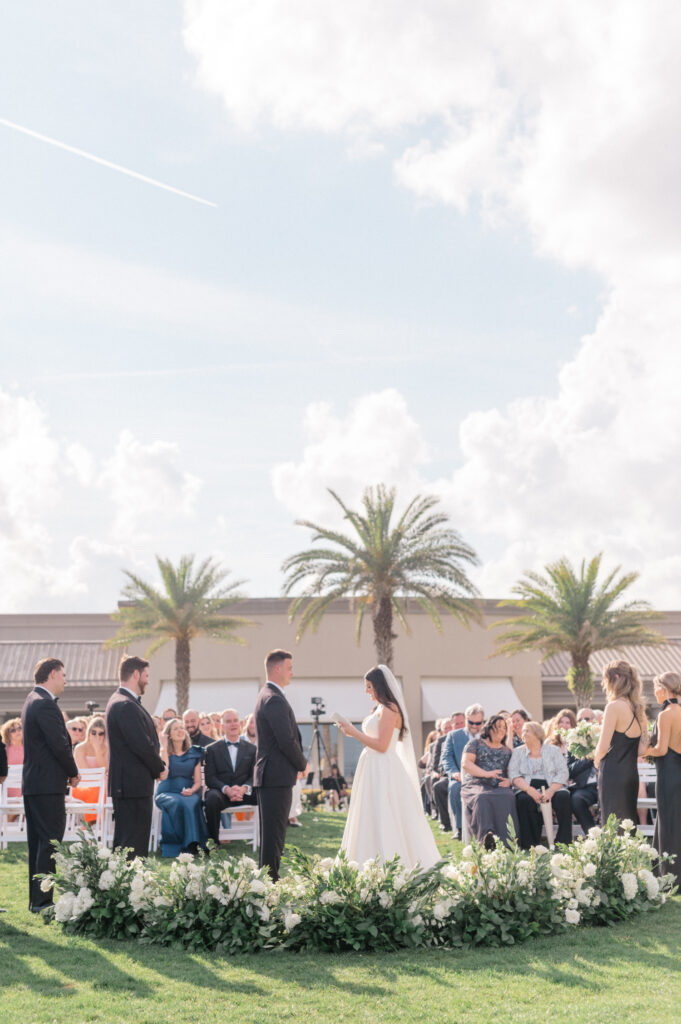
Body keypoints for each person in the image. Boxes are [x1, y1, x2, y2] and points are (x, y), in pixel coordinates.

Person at [338, 665, 440, 870]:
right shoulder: (380, 709)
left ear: (379, 686)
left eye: (369, 686)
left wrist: (353, 733)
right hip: (373, 767)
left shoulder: (389, 709)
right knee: (370, 814)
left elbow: (382, 746)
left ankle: (393, 862)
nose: (366, 691)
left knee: (385, 813)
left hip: (382, 768)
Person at [21, 657, 80, 912]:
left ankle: (37, 900)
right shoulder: (45, 704)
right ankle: (43, 901)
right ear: (53, 673)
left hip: (35, 784)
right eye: (64, 675)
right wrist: (73, 772)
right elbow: (59, 744)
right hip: (46, 785)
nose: (66, 680)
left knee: (38, 843)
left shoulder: (31, 700)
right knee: (50, 841)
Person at [253, 650, 307, 881]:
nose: (292, 672)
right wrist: (302, 763)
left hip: (272, 776)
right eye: (289, 667)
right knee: (274, 835)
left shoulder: (267, 695)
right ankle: (269, 882)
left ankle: (267, 879)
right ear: (277, 668)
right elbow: (286, 739)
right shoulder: (273, 698)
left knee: (272, 834)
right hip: (276, 775)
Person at [106, 655, 165, 859]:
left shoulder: (124, 702)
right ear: (136, 674)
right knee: (132, 845)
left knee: (131, 843)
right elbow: (141, 744)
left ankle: (128, 886)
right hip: (131, 785)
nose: (148, 680)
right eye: (146, 675)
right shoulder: (125, 705)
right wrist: (160, 767)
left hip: (132, 784)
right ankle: (128, 888)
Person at [593, 660, 647, 825]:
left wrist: (596, 760)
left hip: (612, 773)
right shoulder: (638, 708)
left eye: (605, 679)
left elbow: (602, 748)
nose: (604, 684)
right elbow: (641, 750)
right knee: (627, 825)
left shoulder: (614, 706)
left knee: (612, 825)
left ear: (615, 678)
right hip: (631, 774)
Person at [509, 721, 571, 848]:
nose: (523, 733)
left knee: (563, 798)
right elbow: (513, 774)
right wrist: (529, 789)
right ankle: (530, 844)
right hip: (527, 787)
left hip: (552, 785)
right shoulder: (517, 752)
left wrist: (551, 791)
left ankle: (563, 842)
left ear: (537, 734)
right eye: (523, 731)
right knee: (524, 800)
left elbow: (563, 772)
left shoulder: (553, 750)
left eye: (527, 730)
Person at [645, 671, 681, 883]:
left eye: (656, 688)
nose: (655, 693)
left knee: (668, 822)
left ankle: (670, 876)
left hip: (668, 773)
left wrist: (642, 750)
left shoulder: (665, 714)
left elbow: (660, 749)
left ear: (664, 689)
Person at [461, 714, 518, 848]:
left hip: (499, 786)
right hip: (476, 784)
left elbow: (512, 770)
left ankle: (508, 843)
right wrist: (486, 774)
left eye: (504, 728)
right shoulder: (476, 743)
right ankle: (487, 838)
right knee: (482, 797)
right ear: (489, 728)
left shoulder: (506, 750)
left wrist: (510, 781)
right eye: (498, 727)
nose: (501, 730)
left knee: (508, 796)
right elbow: (466, 763)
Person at [204, 708, 257, 847]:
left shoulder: (252, 749)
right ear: (222, 726)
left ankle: (266, 840)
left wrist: (244, 788)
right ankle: (213, 843)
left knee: (266, 794)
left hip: (245, 793)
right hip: (222, 794)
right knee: (211, 798)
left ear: (240, 724)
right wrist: (226, 789)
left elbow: (254, 775)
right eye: (228, 722)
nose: (233, 724)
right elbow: (210, 778)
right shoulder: (212, 749)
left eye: (235, 721)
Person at [155, 719, 208, 856]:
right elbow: (163, 774)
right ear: (169, 734)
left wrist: (192, 790)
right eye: (176, 729)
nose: (180, 731)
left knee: (193, 801)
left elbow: (197, 781)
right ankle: (174, 845)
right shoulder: (164, 751)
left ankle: (193, 844)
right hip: (166, 792)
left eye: (181, 728)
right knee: (176, 802)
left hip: (188, 792)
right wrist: (164, 747)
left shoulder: (194, 754)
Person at [440, 704, 485, 840]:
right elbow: (446, 757)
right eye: (471, 722)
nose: (474, 726)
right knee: (455, 789)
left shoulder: (487, 735)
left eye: (478, 723)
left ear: (483, 721)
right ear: (466, 720)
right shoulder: (454, 736)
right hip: (461, 777)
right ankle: (460, 828)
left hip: (483, 776)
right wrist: (454, 772)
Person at [72, 716, 108, 824]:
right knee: (99, 789)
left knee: (103, 790)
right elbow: (86, 773)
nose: (97, 736)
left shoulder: (106, 749)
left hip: (102, 786)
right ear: (89, 733)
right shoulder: (80, 748)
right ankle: (93, 823)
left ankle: (96, 824)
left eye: (100, 733)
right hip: (83, 786)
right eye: (94, 733)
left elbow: (105, 768)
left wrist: (97, 750)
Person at [1, 718, 24, 797]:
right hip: (8, 790)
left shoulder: (29, 748)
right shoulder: (4, 749)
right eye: (13, 730)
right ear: (7, 734)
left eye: (19, 728)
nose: (17, 732)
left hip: (27, 788)